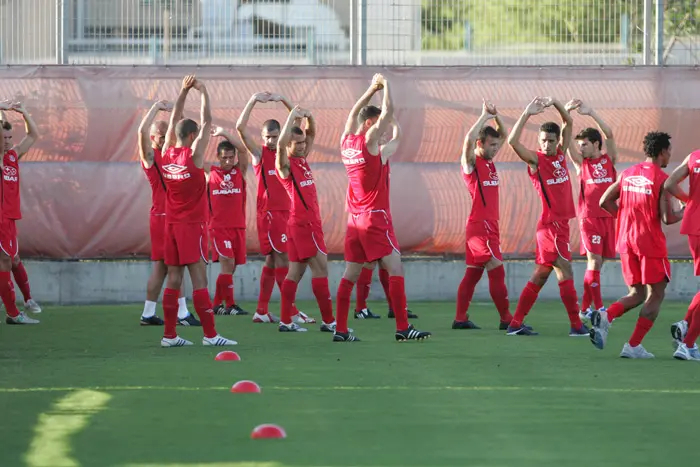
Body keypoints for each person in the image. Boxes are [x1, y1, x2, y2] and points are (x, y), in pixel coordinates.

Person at [336, 73, 431, 342]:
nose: (383, 128)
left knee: (351, 273)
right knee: (395, 269)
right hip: (374, 218)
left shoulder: (346, 142)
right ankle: (403, 328)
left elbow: (356, 114)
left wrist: (370, 90)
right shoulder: (368, 143)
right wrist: (386, 83)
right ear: (369, 124)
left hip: (354, 220)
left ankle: (341, 330)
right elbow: (387, 111)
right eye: (379, 124)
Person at [158, 74, 236, 347]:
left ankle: (169, 335)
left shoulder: (166, 152)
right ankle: (210, 335)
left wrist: (182, 91)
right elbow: (207, 123)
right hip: (192, 227)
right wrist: (202, 92)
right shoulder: (193, 156)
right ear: (192, 137)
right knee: (199, 280)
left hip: (172, 226)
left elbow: (175, 119)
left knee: (174, 279)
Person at [591, 131, 684, 358]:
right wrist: (686, 210)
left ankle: (607, 316)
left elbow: (604, 201)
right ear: (662, 152)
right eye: (669, 150)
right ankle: (632, 345)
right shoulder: (663, 179)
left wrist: (624, 219)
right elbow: (667, 218)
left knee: (637, 293)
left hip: (626, 241)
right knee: (657, 294)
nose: (670, 154)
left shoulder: (628, 173)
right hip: (649, 243)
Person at [506, 97, 589, 336]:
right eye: (543, 141)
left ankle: (515, 324)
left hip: (559, 226)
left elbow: (568, 121)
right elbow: (512, 142)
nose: (547, 145)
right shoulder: (536, 160)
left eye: (551, 141)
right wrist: (526, 113)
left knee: (541, 275)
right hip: (550, 227)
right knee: (566, 271)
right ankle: (576, 326)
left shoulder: (561, 154)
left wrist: (558, 105)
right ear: (539, 141)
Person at [236, 91, 313, 324]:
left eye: (275, 137)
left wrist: (284, 101)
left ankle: (261, 310)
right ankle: (290, 311)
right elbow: (240, 127)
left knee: (272, 261)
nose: (271, 141)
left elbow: (296, 120)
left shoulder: (284, 154)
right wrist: (252, 100)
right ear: (262, 137)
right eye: (267, 137)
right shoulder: (259, 154)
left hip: (287, 214)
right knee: (283, 260)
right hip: (270, 214)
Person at [274, 106, 338, 333]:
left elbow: (311, 134)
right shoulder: (285, 165)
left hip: (302, 225)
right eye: (297, 144)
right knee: (321, 271)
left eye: (302, 144)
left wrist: (308, 115)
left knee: (294, 273)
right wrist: (291, 117)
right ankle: (329, 322)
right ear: (288, 145)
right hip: (304, 225)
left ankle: (285, 321)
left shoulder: (301, 158)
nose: (302, 147)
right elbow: (280, 145)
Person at [136, 99, 199, 326]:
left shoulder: (172, 152)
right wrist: (154, 108)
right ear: (153, 138)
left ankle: (148, 312)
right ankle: (181, 314)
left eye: (167, 135)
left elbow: (177, 126)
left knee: (164, 267)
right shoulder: (151, 157)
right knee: (174, 266)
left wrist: (177, 107)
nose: (165, 139)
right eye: (161, 136)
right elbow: (141, 131)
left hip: (173, 216)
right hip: (163, 217)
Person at [453, 100, 513, 330]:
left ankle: (460, 319)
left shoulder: (489, 161)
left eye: (497, 145)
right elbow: (467, 141)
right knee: (497, 269)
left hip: (488, 226)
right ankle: (507, 320)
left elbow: (504, 135)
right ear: (480, 143)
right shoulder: (472, 163)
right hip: (481, 226)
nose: (496, 149)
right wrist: (483, 116)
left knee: (473, 275)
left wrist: (496, 117)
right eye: (491, 145)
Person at [353, 121, 418, 321]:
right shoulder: (376, 153)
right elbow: (397, 139)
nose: (384, 136)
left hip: (367, 214)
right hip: (373, 215)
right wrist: (395, 122)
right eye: (381, 133)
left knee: (377, 263)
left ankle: (387, 308)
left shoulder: (361, 151)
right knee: (385, 263)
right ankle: (393, 314)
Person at [564, 99, 617, 321]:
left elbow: (610, 134)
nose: (580, 148)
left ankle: (584, 308)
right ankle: (599, 307)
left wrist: (591, 112)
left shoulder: (609, 160)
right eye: (580, 145)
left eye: (584, 144)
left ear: (595, 144)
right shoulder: (581, 164)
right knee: (594, 262)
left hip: (609, 218)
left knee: (598, 264)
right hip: (589, 220)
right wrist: (565, 117)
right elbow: (565, 144)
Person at [0, 100, 40, 324]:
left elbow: (33, 136)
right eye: (3, 138)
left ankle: (24, 302)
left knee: (12, 259)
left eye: (9, 138)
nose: (6, 142)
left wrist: (24, 111)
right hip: (1, 218)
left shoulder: (13, 157)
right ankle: (13, 314)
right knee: (5, 260)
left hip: (10, 218)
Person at [208, 127, 249, 316]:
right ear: (218, 156)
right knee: (227, 263)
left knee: (231, 268)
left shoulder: (239, 171)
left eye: (230, 158)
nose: (228, 161)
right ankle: (230, 304)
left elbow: (243, 150)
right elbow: (194, 156)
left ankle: (216, 304)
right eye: (224, 157)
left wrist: (224, 133)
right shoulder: (210, 174)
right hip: (219, 227)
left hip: (238, 226)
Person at [663, 148, 699, 360]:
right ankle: (688, 344)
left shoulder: (694, 156)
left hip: (694, 225)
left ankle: (685, 324)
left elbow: (669, 184)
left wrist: (690, 200)